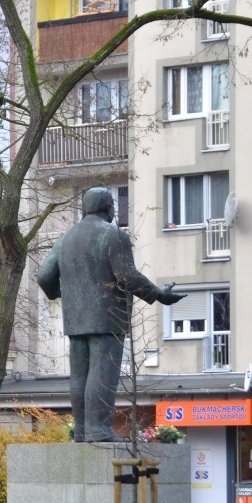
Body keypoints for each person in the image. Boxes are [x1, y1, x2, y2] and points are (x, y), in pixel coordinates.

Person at [36, 187, 184, 442]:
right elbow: (127, 276)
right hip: (107, 316)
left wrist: (57, 294)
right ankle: (98, 429)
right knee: (102, 372)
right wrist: (159, 295)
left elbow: (44, 276)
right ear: (110, 209)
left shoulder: (65, 238)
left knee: (79, 376)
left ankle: (82, 431)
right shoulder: (113, 233)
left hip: (75, 317)